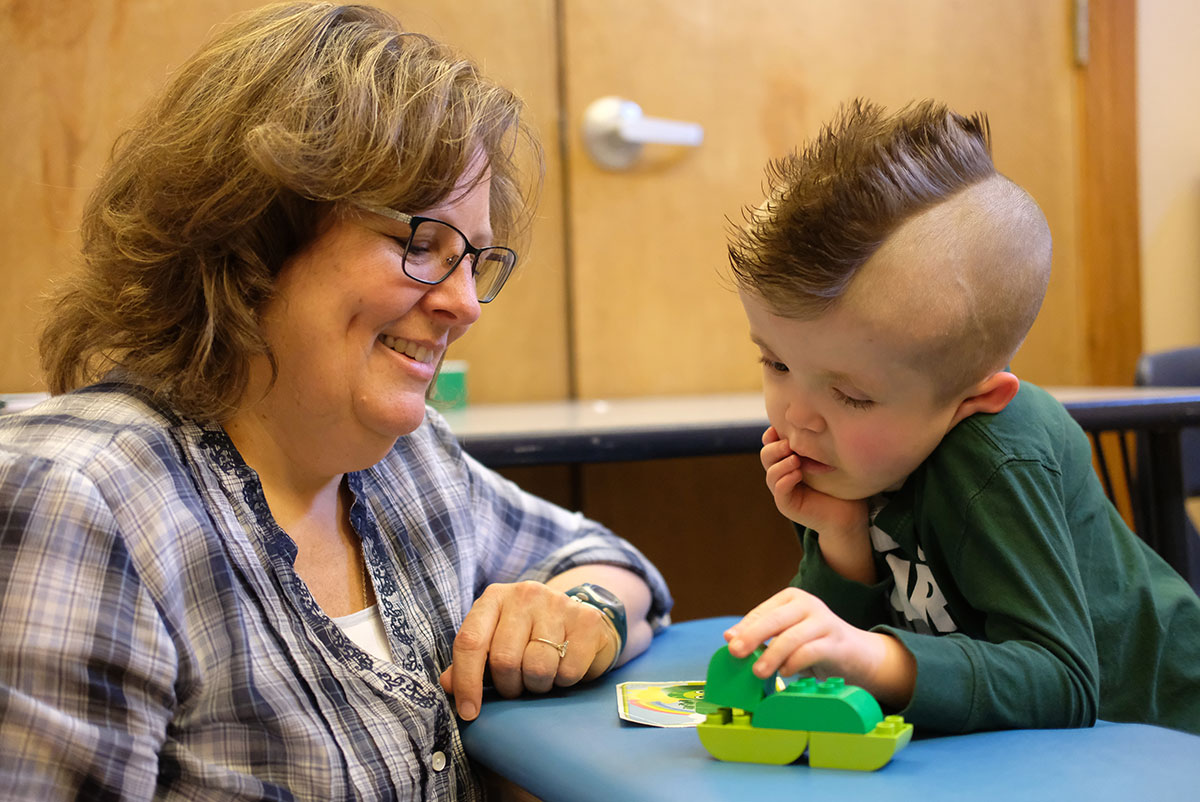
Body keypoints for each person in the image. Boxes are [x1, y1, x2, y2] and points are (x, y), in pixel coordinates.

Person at [0, 3, 672, 799]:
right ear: (252, 237)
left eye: (475, 259)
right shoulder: (87, 502)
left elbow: (616, 568)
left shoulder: (407, 461)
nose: (466, 304)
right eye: (422, 246)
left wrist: (580, 608)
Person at [721, 99, 1200, 735]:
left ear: (974, 398)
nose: (796, 417)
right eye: (775, 364)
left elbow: (1062, 681)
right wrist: (842, 544)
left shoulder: (994, 455)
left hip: (1162, 737)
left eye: (853, 396)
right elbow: (843, 664)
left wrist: (881, 659)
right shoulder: (853, 460)